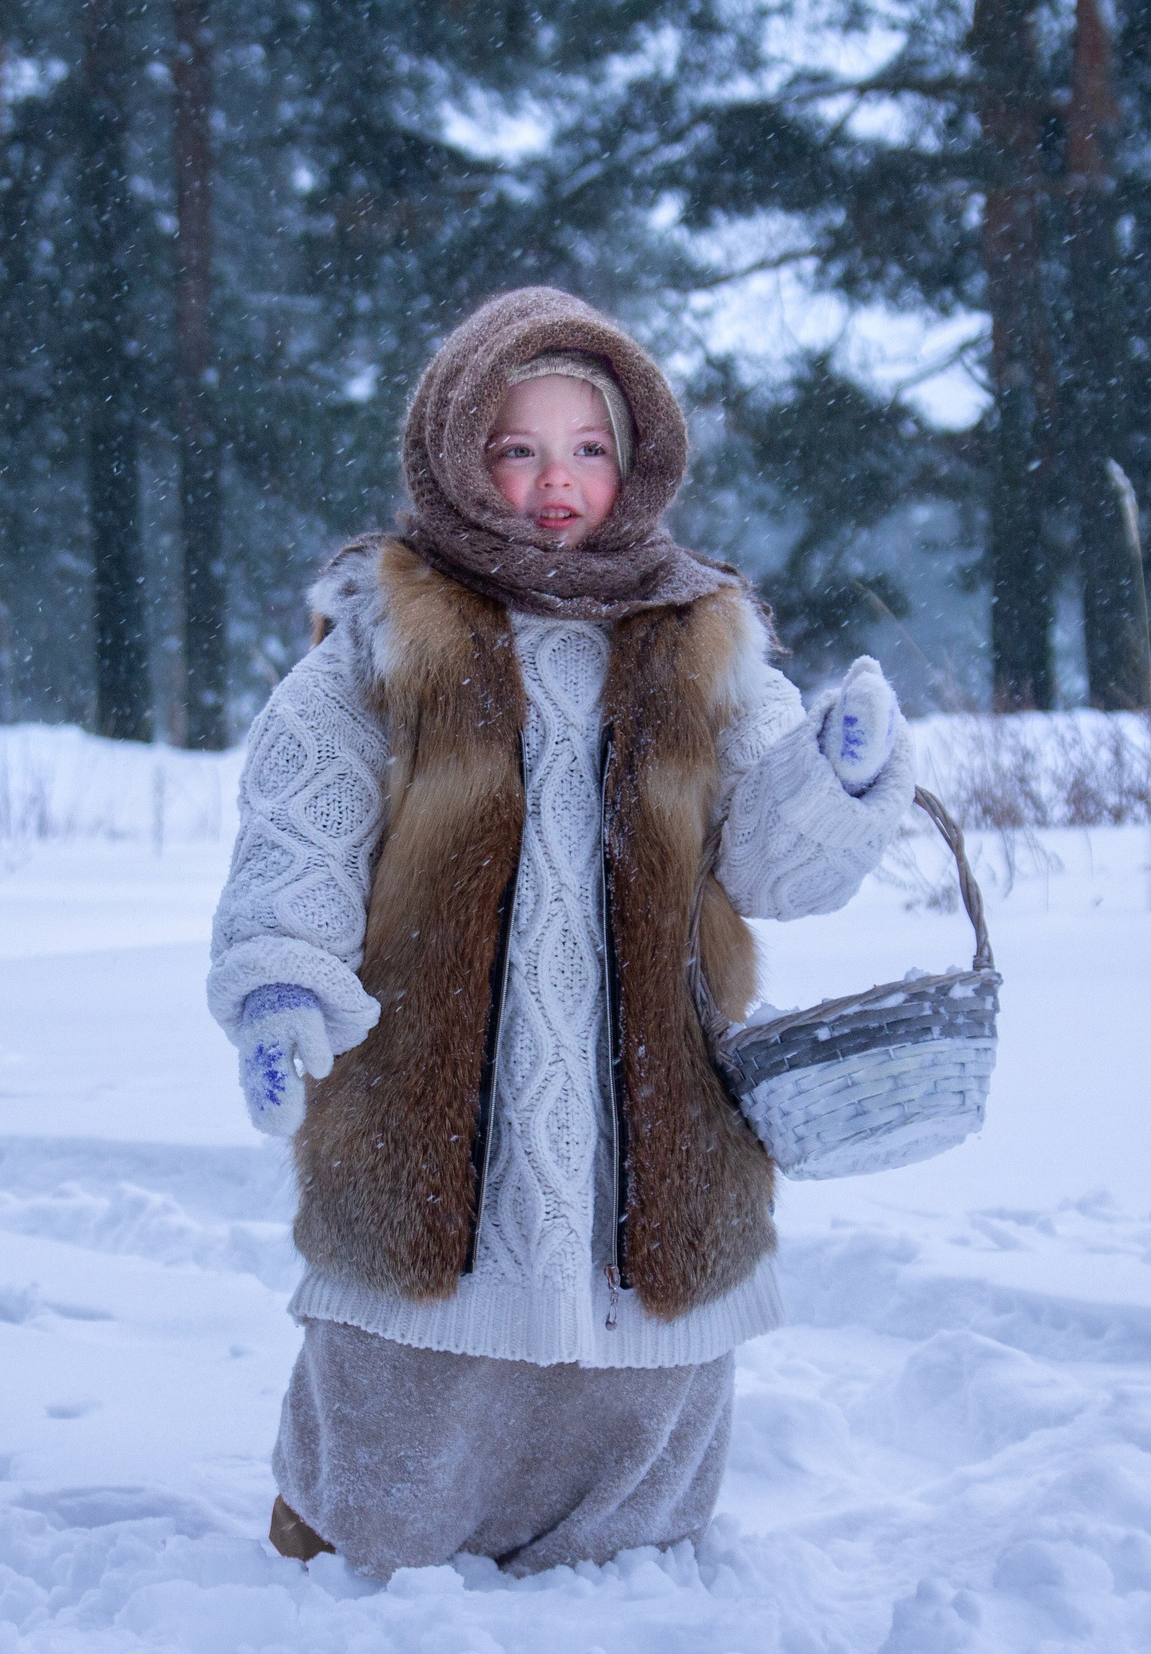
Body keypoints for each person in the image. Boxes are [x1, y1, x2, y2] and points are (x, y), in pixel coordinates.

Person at [206, 286, 916, 1580]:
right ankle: (381, 1527)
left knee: (638, 1312)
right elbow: (299, 825)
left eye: (588, 450)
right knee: (423, 1329)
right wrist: (277, 987)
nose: (556, 484)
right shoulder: (393, 631)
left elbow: (768, 852)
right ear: (457, 451)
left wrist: (837, 778)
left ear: (636, 457)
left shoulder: (701, 640)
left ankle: (621, 1540)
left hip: (653, 1079)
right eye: (518, 448)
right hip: (433, 1073)